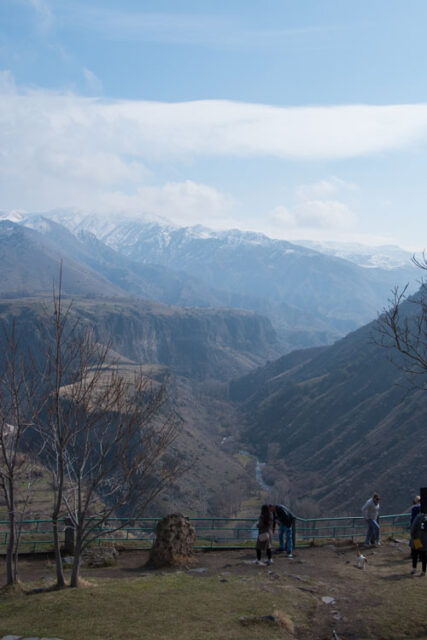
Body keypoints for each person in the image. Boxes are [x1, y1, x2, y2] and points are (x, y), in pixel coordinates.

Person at [410, 507, 427, 576]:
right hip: (425, 540)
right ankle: (423, 571)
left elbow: (413, 527)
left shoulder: (419, 517)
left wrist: (412, 536)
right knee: (424, 556)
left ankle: (414, 569)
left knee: (415, 554)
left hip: (417, 538)